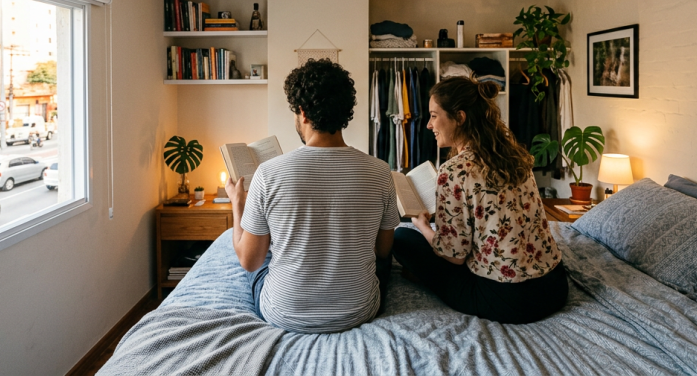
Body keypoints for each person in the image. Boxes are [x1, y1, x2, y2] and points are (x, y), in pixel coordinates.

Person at [224, 59, 400, 334]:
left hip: (285, 314)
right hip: (359, 311)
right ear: (345, 113)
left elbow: (249, 261)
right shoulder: (379, 171)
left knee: (262, 260)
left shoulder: (268, 173)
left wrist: (238, 204)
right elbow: (383, 250)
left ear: (303, 113)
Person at [392, 76, 568, 324]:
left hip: (507, 299)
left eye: (434, 115)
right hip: (555, 287)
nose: (429, 125)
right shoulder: (516, 156)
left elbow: (454, 257)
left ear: (460, 117)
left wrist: (422, 225)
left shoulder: (454, 171)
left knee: (402, 237)